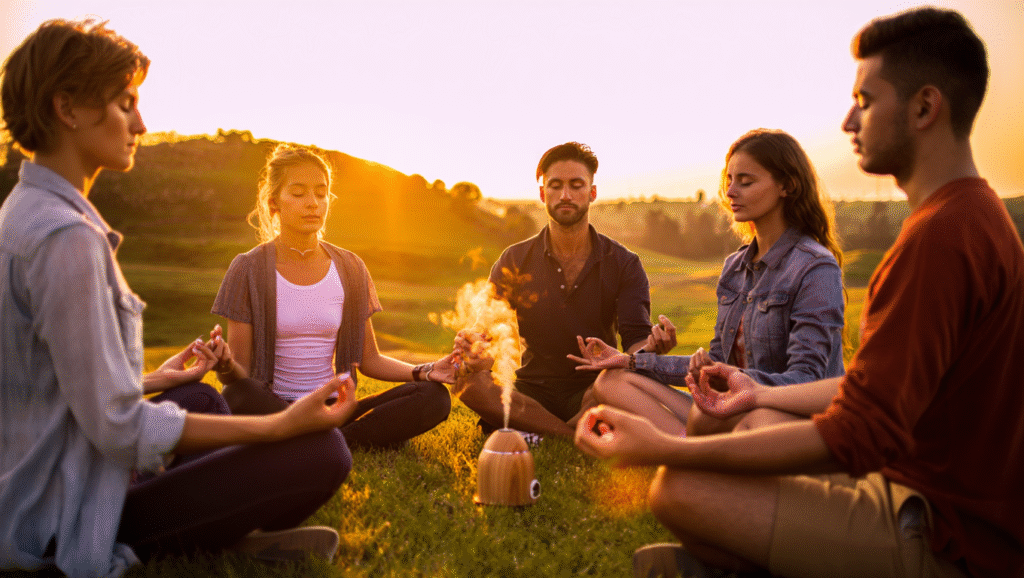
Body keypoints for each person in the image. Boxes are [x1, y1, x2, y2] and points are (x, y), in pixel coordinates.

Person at [576, 7, 1024, 578]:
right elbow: (867, 393)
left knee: (677, 488)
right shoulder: (970, 216)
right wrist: (747, 390)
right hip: (916, 488)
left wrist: (663, 448)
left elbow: (857, 433)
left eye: (864, 100)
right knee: (725, 427)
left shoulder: (940, 239)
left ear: (924, 108)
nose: (848, 121)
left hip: (945, 533)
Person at [0, 20, 358, 577]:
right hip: (58, 519)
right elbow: (118, 427)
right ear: (66, 108)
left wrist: (152, 380)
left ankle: (213, 528)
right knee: (323, 451)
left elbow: (41, 387)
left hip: (53, 475)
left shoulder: (25, 211)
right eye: (124, 103)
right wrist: (279, 426)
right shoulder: (65, 239)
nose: (141, 123)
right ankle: (191, 539)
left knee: (199, 398)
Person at [570, 129, 845, 437]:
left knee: (749, 421)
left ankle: (688, 447)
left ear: (787, 185)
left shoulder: (815, 267)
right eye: (729, 180)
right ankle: (693, 447)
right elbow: (715, 363)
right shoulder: (735, 267)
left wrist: (733, 379)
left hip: (781, 415)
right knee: (614, 380)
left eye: (746, 181)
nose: (731, 192)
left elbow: (808, 381)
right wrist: (629, 360)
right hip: (728, 408)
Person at [210, 143, 456, 450]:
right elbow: (241, 374)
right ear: (274, 203)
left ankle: (325, 440)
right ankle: (327, 441)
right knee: (238, 395)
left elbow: (369, 360)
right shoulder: (248, 268)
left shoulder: (350, 267)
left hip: (335, 408)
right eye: (298, 193)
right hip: (274, 408)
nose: (313, 203)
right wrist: (225, 365)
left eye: (321, 193)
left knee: (433, 396)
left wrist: (427, 370)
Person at [455, 142, 671, 437]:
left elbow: (635, 341)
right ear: (543, 194)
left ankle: (536, 430)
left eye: (576, 185)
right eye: (555, 186)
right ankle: (571, 435)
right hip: (529, 389)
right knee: (469, 383)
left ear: (592, 193)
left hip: (595, 389)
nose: (565, 195)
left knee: (622, 385)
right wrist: (474, 349)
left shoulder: (624, 263)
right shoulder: (515, 259)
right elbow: (488, 336)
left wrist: (652, 349)